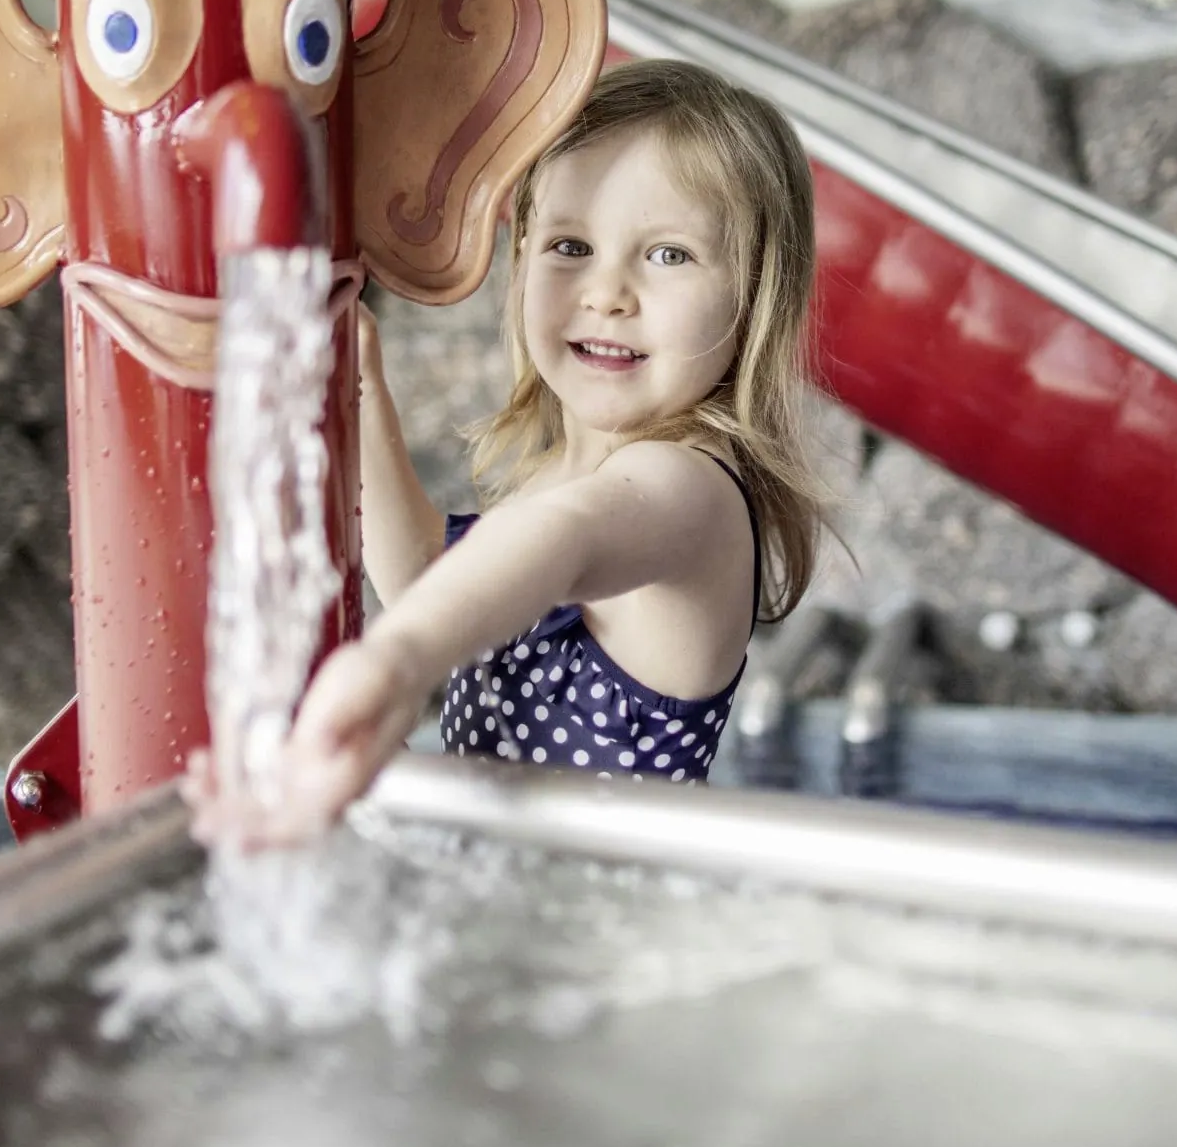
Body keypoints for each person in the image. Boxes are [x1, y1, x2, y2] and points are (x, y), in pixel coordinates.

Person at [187, 59, 826, 847]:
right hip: (502, 927)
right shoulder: (556, 471)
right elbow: (429, 575)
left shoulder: (688, 492)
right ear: (521, 258)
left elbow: (566, 538)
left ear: (755, 294)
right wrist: (359, 390)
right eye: (570, 244)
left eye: (668, 254)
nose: (607, 292)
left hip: (597, 955)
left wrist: (393, 662)